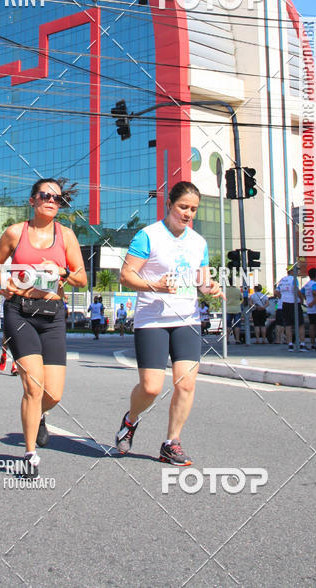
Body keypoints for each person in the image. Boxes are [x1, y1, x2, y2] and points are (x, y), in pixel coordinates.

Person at [114, 181, 224, 466]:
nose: (188, 214)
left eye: (193, 209)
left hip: (187, 320)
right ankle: (131, 420)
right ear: (169, 205)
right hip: (152, 320)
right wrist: (156, 286)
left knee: (185, 384)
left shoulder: (198, 242)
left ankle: (171, 443)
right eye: (183, 207)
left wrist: (211, 287)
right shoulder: (147, 236)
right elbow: (126, 277)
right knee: (151, 388)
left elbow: (200, 280)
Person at [0, 178, 86, 476]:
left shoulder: (67, 236)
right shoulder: (15, 233)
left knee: (53, 393)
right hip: (20, 312)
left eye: (57, 198)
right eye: (45, 195)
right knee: (33, 386)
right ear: (32, 200)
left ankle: (40, 414)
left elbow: (82, 278)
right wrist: (3, 283)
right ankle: (30, 453)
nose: (51, 201)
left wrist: (63, 271)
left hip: (53, 314)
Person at [274, 266, 307, 351]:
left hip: (285, 303)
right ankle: (302, 344)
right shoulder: (293, 279)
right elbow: (296, 289)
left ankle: (290, 344)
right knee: (300, 324)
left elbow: (276, 291)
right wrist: (301, 298)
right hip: (294, 303)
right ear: (291, 271)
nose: (297, 272)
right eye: (296, 270)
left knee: (288, 325)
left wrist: (282, 297)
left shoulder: (282, 280)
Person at [303, 267, 316, 349]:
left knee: (312, 326)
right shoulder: (314, 284)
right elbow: (315, 292)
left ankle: (313, 343)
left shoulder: (307, 284)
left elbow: (301, 292)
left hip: (310, 309)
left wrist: (306, 300)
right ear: (315, 275)